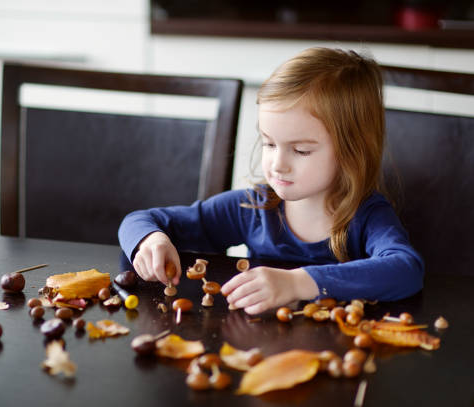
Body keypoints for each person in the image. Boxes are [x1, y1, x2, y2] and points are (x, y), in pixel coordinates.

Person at [118, 47, 424, 315]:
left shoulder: (367, 216)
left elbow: (406, 269)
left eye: (301, 150)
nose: (278, 165)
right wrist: (151, 240)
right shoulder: (253, 207)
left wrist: (298, 282)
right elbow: (141, 219)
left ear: (352, 151)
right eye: (269, 144)